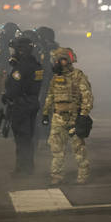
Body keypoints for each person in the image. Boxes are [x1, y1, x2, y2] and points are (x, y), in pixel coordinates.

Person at [42, 47, 94, 185]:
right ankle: (56, 175)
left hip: (74, 118)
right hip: (58, 117)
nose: (56, 63)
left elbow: (87, 97)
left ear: (66, 60)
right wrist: (45, 113)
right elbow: (50, 95)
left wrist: (83, 115)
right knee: (56, 149)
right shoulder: (55, 78)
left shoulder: (78, 76)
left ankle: (83, 174)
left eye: (59, 60)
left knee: (78, 148)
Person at [2, 37, 43, 176]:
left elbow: (14, 89)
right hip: (32, 103)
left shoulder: (20, 68)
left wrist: (6, 95)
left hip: (21, 105)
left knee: (21, 138)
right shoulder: (36, 64)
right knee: (28, 137)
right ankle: (28, 167)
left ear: (21, 49)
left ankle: (23, 169)